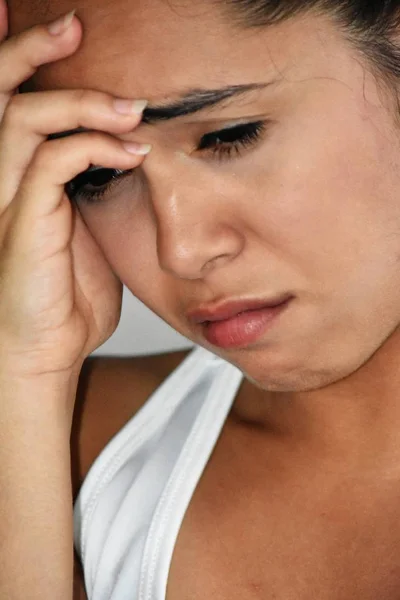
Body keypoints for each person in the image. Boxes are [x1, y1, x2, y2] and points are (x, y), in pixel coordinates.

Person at [2, 0, 400, 597]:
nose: (180, 250)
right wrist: (22, 371)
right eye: (97, 175)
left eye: (228, 136)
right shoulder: (62, 461)